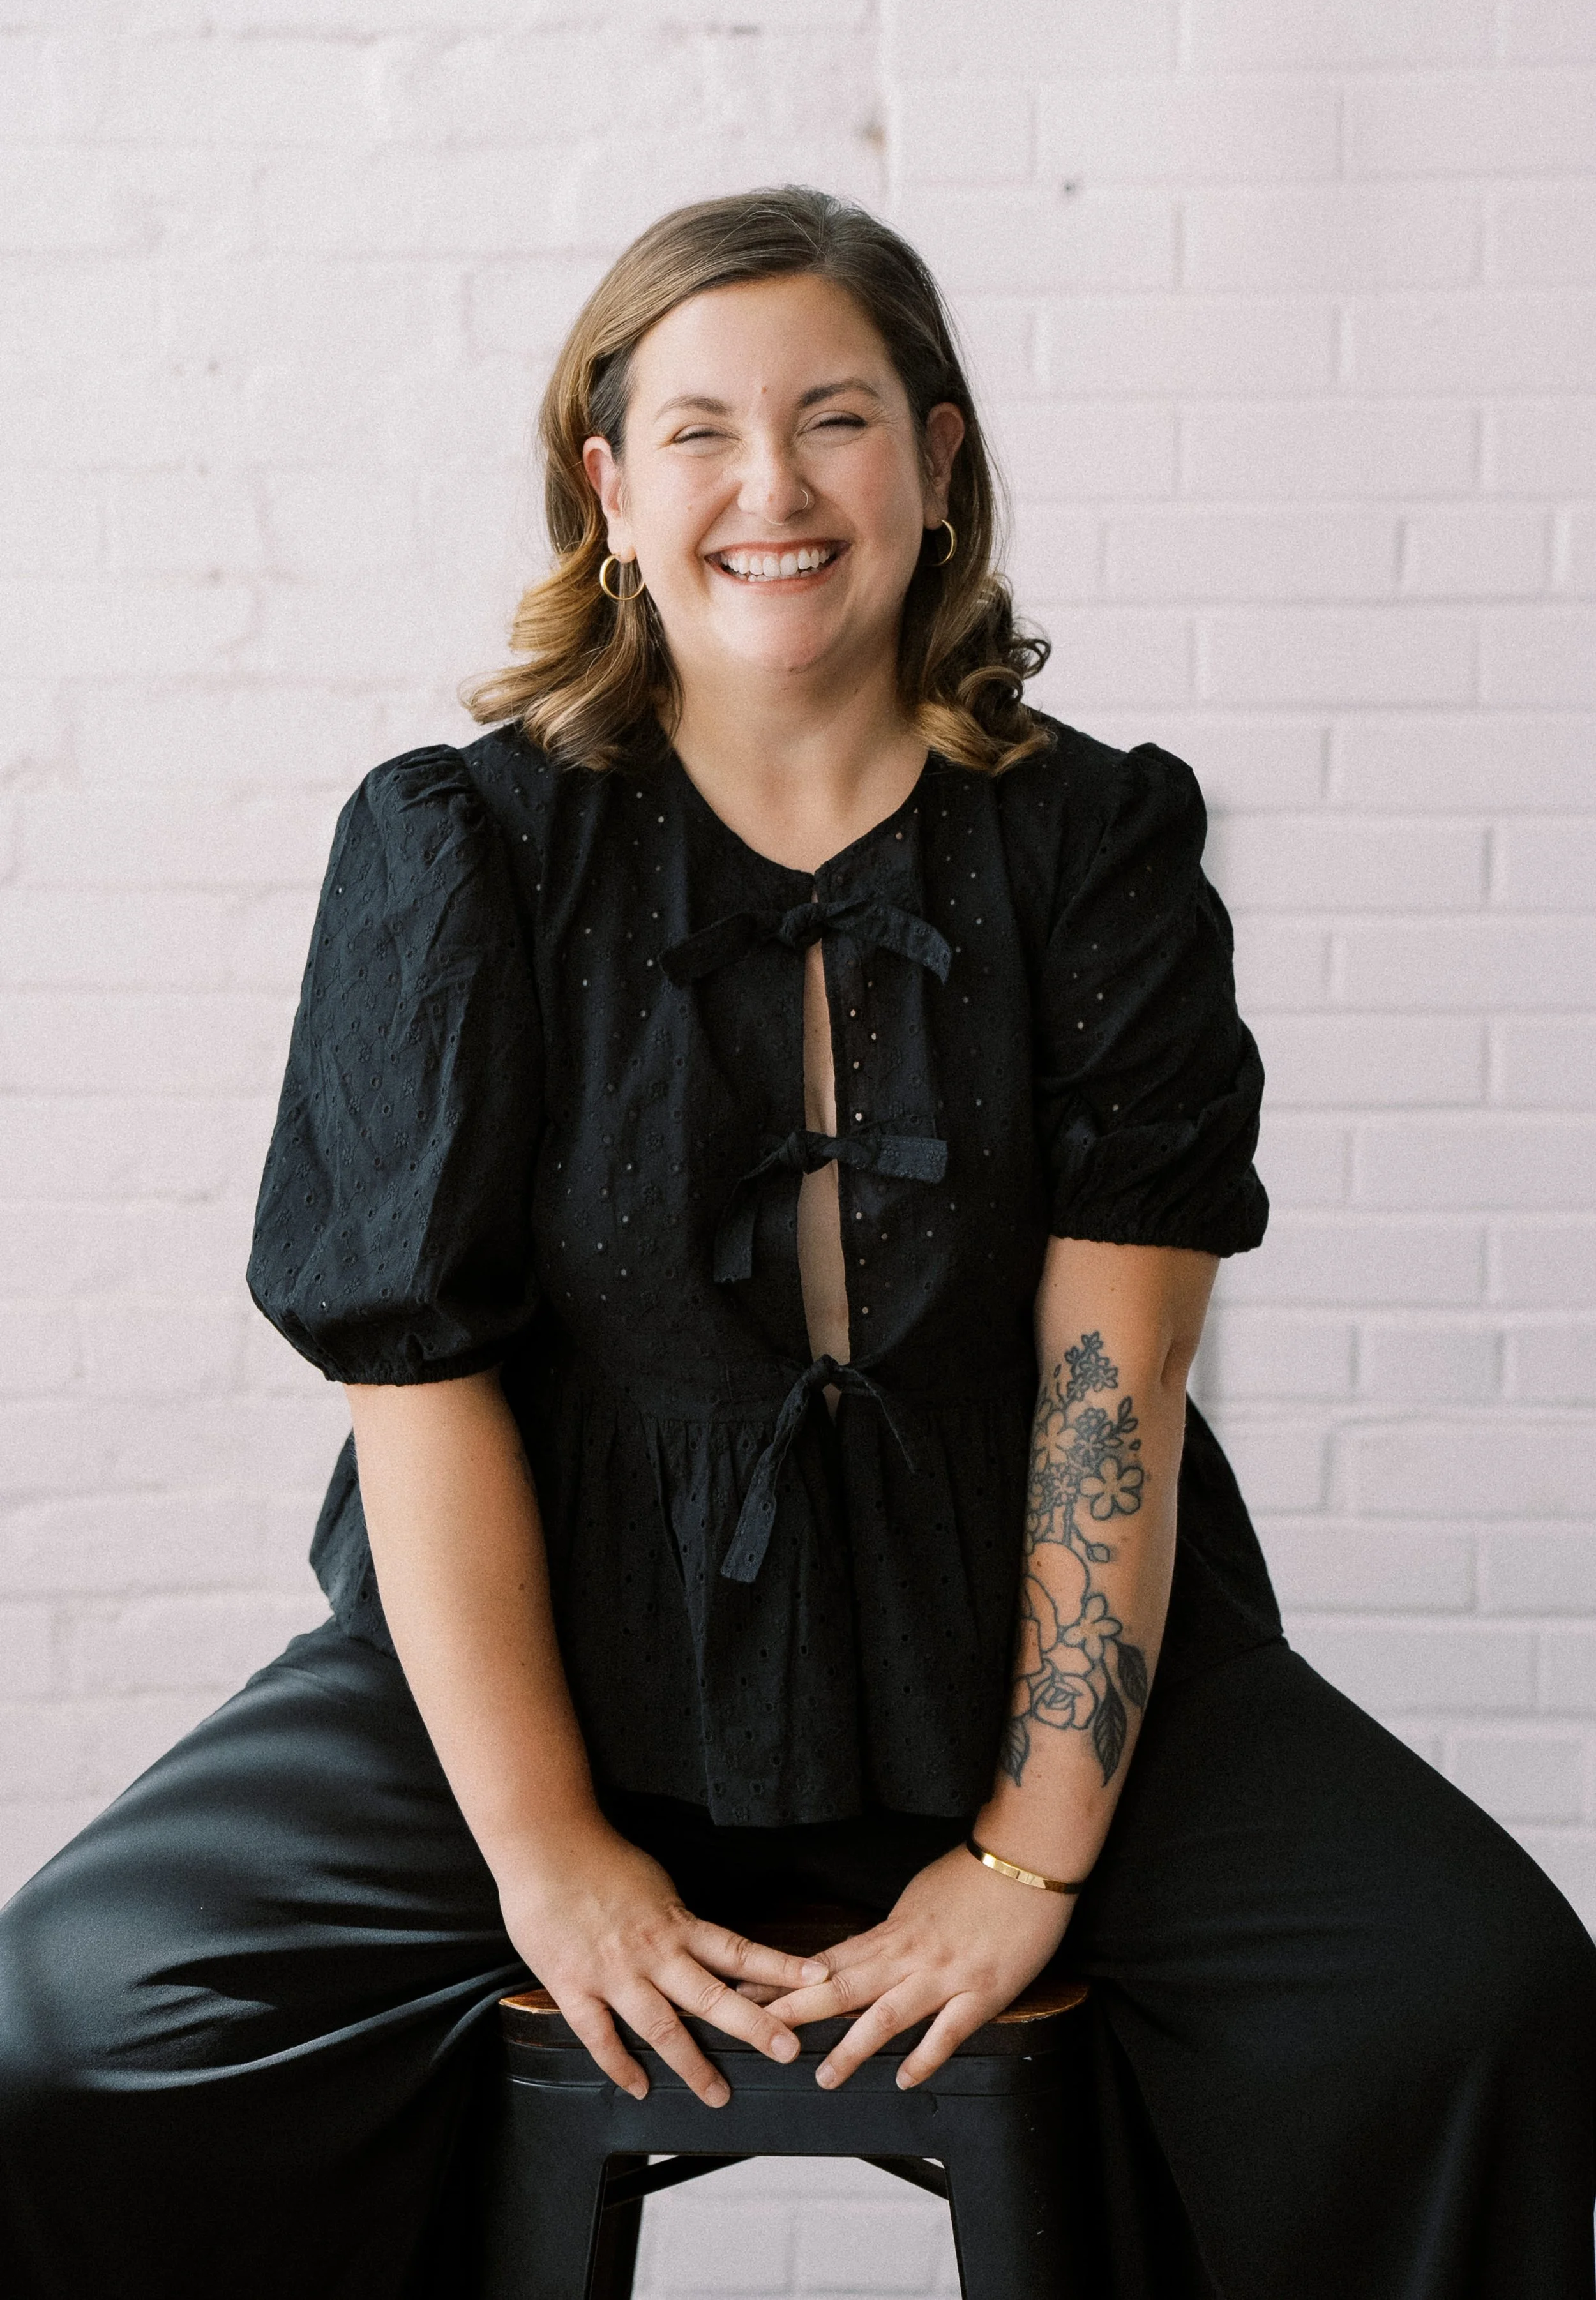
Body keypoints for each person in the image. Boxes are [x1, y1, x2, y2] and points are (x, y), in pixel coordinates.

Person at [1, 186, 1592, 2300]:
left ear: (938, 463)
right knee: (83, 2020)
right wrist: (552, 1859)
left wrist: (1029, 1852)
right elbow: (417, 1384)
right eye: (699, 432)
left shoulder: (1098, 842)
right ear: (608, 491)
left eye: (837, 418)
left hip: (1022, 1660)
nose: (774, 487)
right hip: (545, 1657)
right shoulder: (455, 845)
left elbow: (1108, 1390)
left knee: (1472, 1997)